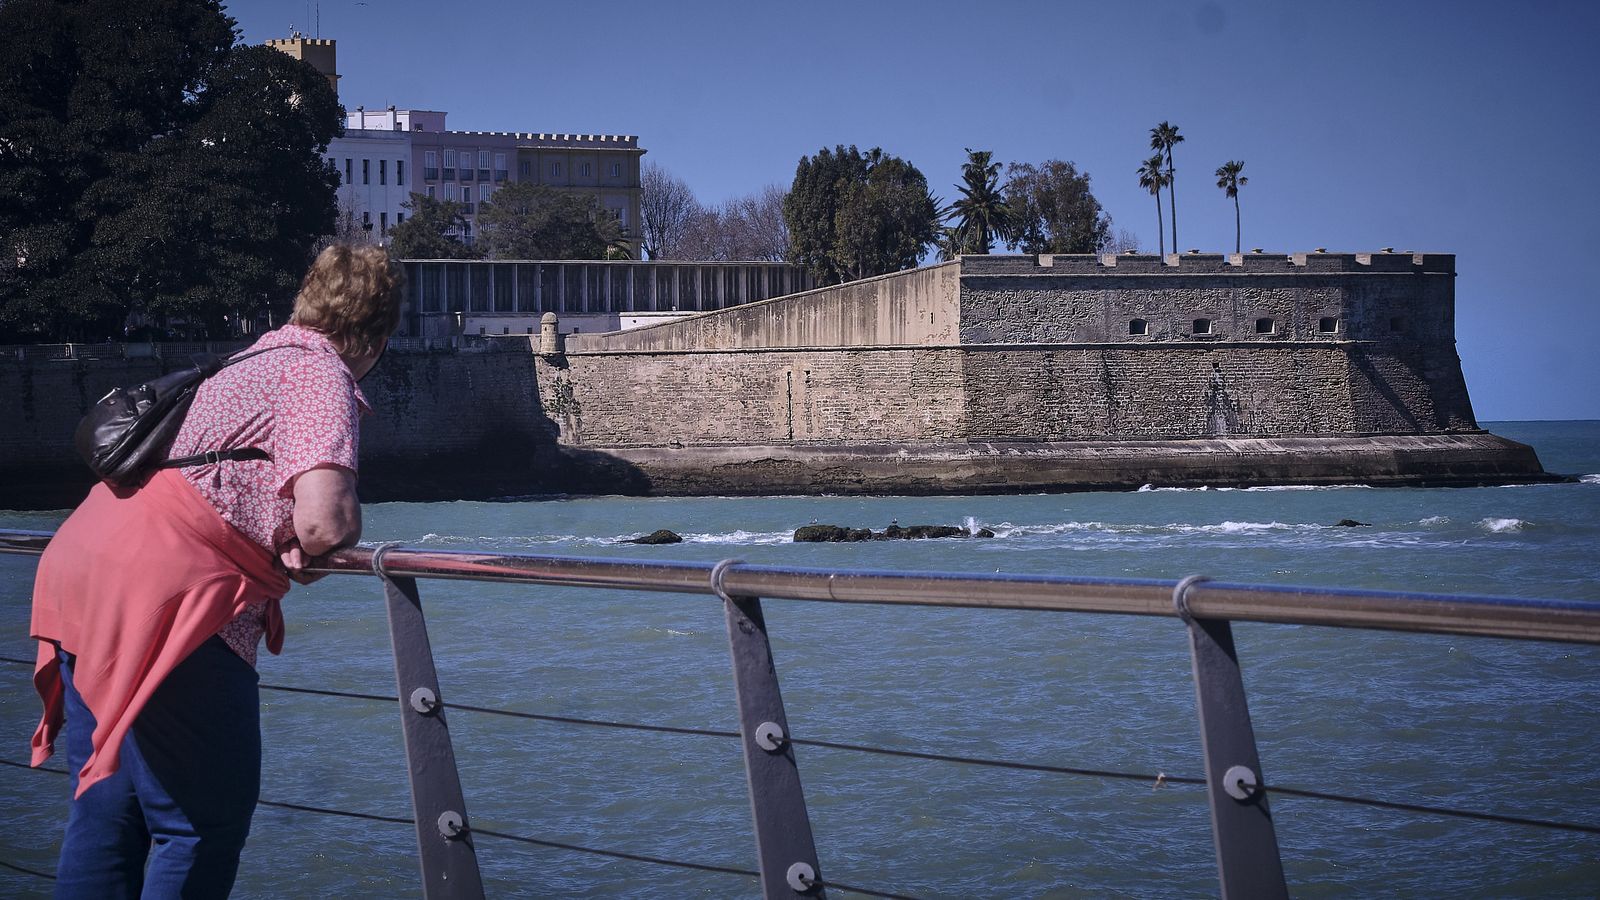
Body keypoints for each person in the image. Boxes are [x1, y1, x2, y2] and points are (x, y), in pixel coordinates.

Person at [28, 244, 403, 898]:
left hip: (84, 572)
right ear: (374, 336)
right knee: (201, 822)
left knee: (108, 809)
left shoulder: (246, 360)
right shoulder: (317, 372)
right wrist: (311, 542)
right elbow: (326, 521)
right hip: (167, 599)